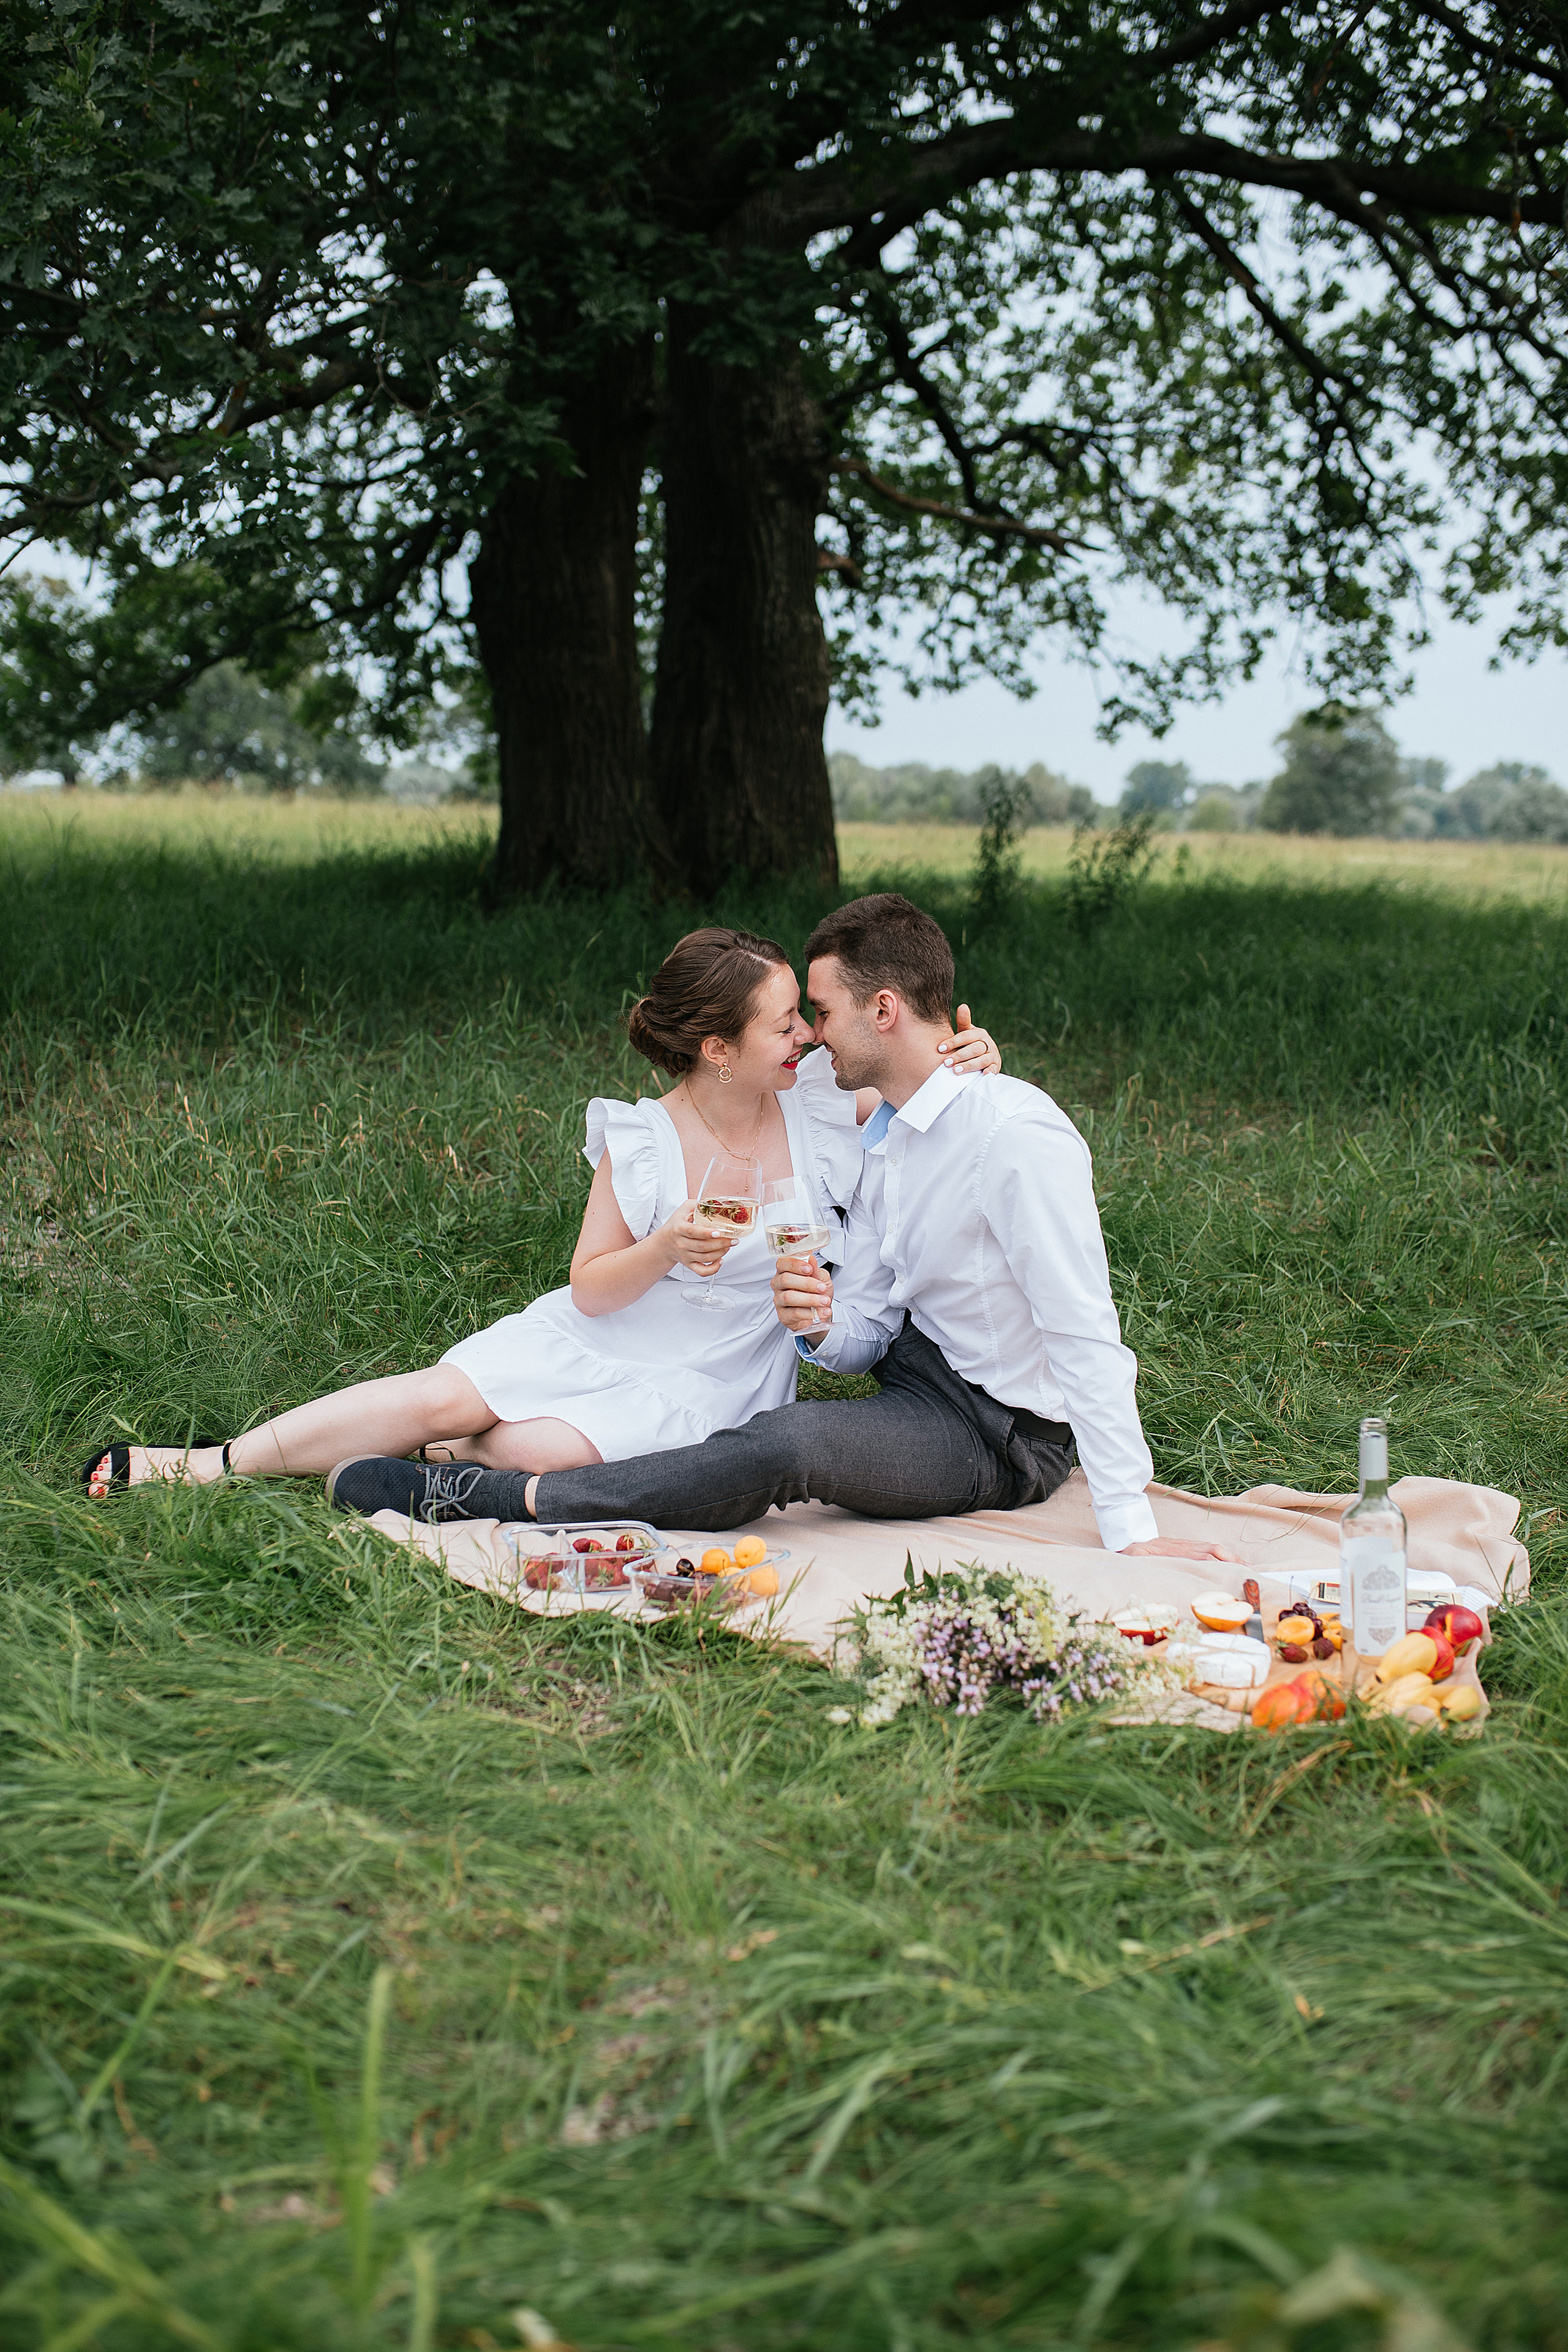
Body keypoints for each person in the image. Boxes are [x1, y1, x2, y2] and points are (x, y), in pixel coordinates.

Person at [329, 894, 1234, 1565]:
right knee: (781, 1425)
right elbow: (869, 1326)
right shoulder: (879, 1139)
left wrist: (1131, 1525)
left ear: (884, 1010)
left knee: (784, 1445)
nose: (810, 1036)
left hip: (999, 1432)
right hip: (917, 1374)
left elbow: (1085, 1331)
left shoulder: (1014, 1137)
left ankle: (499, 1500)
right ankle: (491, 1461)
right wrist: (817, 1324)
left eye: (823, 1013)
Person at [80, 924, 1001, 1497]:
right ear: (719, 1049)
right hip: (615, 1330)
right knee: (439, 1394)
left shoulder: (824, 1107)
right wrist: (666, 1246)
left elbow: (921, 1085)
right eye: (785, 1022)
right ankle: (206, 1464)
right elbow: (592, 1287)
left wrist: (977, 1059)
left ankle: (436, 1456)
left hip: (722, 1372)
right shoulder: (643, 1140)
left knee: (535, 1453)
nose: (808, 1034)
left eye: (804, 1014)